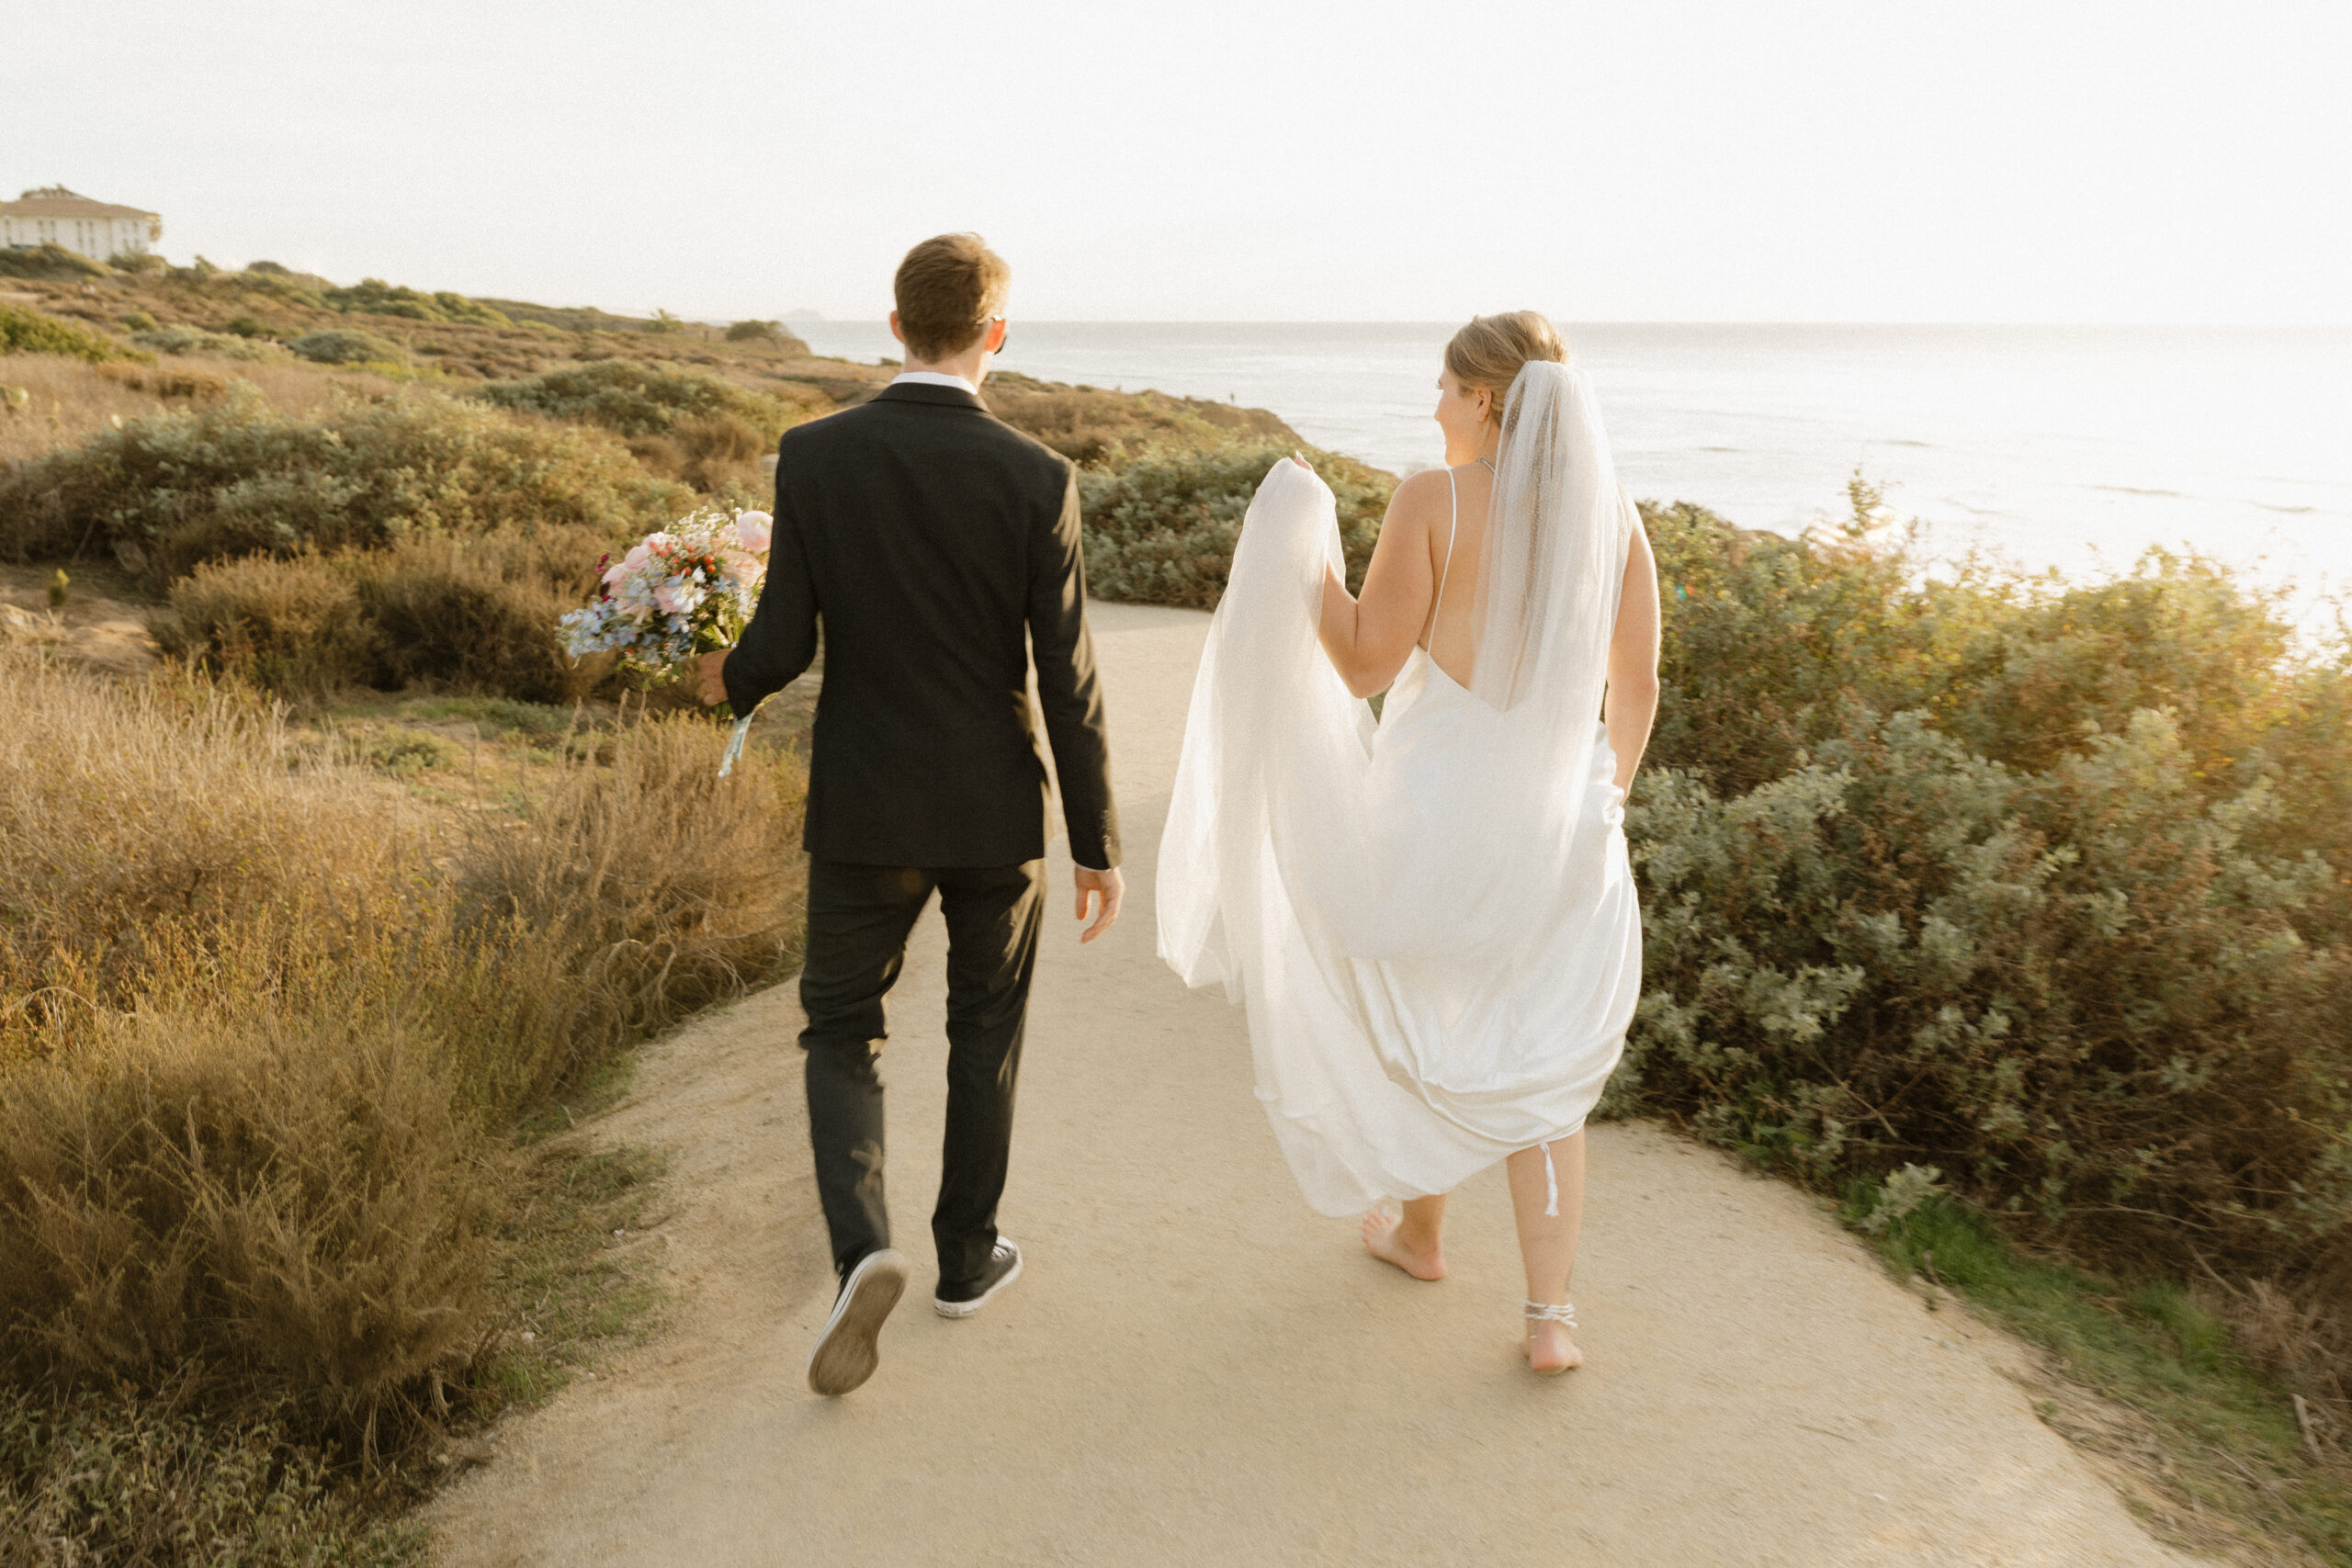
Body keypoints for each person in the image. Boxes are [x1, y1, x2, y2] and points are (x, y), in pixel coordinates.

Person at [1157, 311, 1659, 1374]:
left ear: (1485, 398)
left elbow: (1363, 665)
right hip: (1565, 831)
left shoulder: (1434, 501)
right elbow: (1638, 682)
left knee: (1430, 1018)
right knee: (1544, 1066)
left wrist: (1304, 563)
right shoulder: (1613, 519)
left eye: (1442, 386)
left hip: (1439, 818)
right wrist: (1604, 793)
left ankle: (1422, 1235)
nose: (1432, 406)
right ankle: (1546, 1319)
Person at [698, 232, 1124, 1397]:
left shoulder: (815, 456)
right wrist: (1095, 844)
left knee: (842, 1029)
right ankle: (964, 1259)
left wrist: (721, 681)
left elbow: (783, 640)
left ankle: (860, 1250)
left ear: (893, 327)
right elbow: (1066, 675)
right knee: (984, 1033)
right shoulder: (1039, 477)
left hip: (866, 805)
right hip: (994, 812)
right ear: (996, 333)